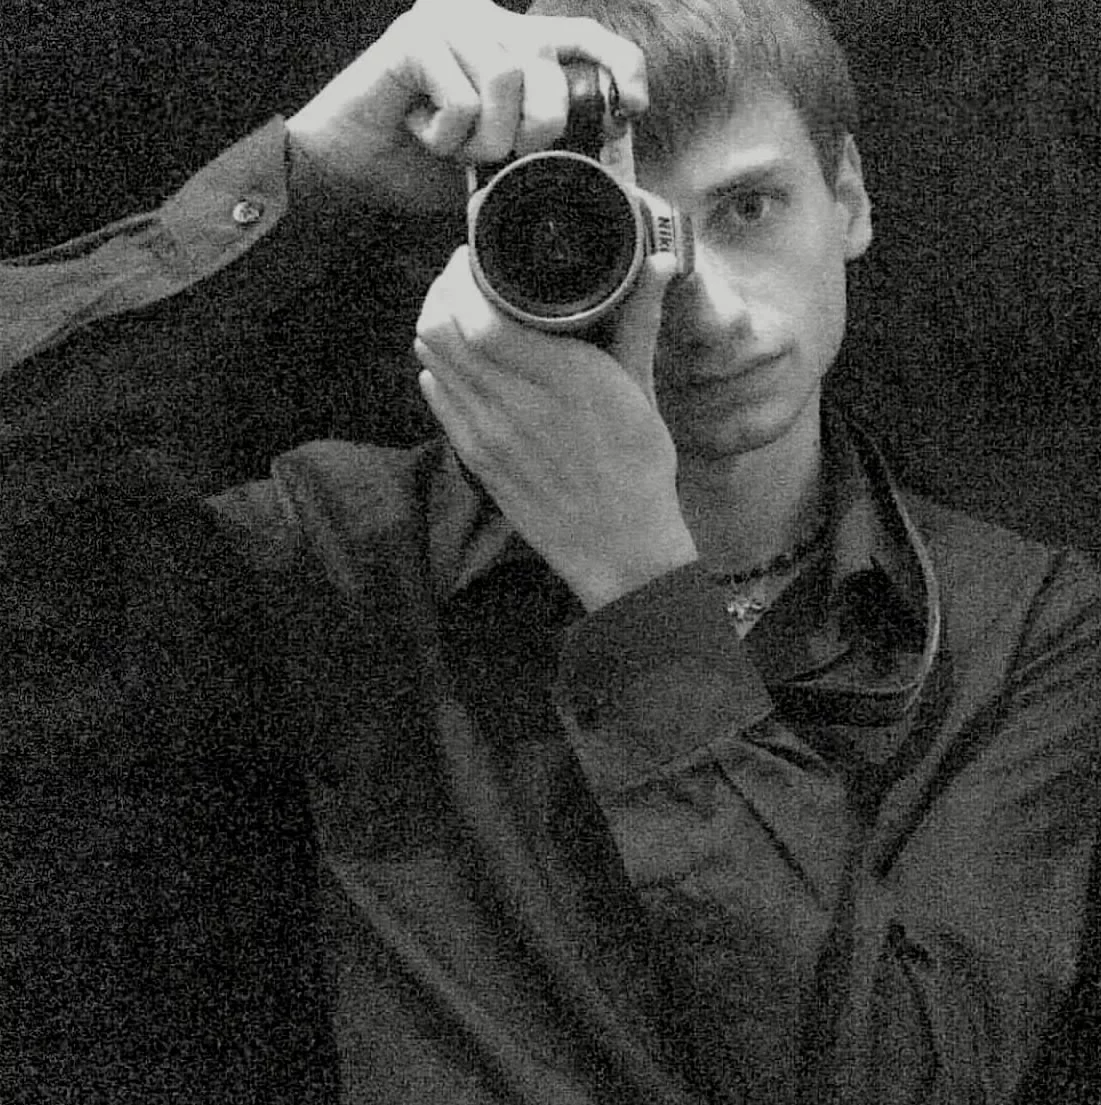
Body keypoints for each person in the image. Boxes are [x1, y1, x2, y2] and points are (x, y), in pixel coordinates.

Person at [3, 0, 1099, 1102]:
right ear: (509, 249)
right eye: (624, 233)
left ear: (848, 197)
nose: (705, 305)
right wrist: (305, 178)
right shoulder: (353, 548)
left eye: (748, 208)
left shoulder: (1026, 627)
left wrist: (638, 580)